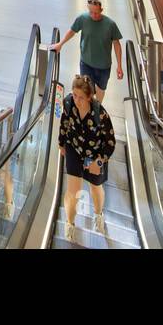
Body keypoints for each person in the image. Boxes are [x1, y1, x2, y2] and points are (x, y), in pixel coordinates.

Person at [57, 73, 116, 243]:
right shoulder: (69, 103)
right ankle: (69, 223)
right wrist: (61, 144)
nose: (76, 100)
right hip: (74, 150)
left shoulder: (100, 114)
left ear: (90, 97)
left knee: (95, 188)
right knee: (73, 190)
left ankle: (98, 214)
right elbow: (64, 123)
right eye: (75, 95)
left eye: (81, 97)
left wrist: (99, 162)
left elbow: (110, 143)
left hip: (93, 155)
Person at [46, 0, 124, 102]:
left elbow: (117, 44)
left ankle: (97, 108)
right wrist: (60, 44)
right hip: (86, 63)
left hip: (103, 66)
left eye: (96, 13)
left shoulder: (110, 24)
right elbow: (72, 31)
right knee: (86, 89)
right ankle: (88, 109)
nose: (93, 15)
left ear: (101, 10)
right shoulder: (83, 19)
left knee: (101, 89)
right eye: (91, 12)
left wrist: (119, 66)